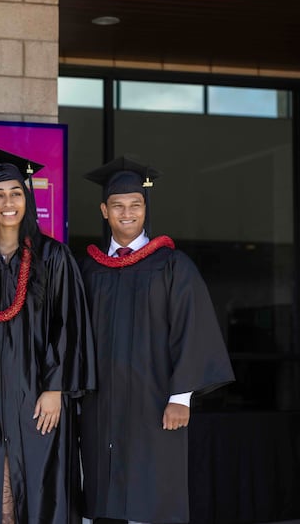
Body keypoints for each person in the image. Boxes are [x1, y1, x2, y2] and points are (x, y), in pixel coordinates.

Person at [78, 156, 235, 524]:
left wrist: (181, 397)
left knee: (152, 495)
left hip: (155, 405)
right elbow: (75, 335)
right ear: (104, 210)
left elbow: (191, 329)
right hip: (100, 406)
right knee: (101, 496)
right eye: (117, 205)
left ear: (146, 208)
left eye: (135, 205)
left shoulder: (172, 265)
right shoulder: (90, 269)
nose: (127, 213)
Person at [0, 150, 96, 524]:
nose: (8, 202)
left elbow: (69, 324)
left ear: (27, 198)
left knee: (38, 482)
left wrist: (56, 389)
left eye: (16, 193)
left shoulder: (53, 256)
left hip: (37, 393)